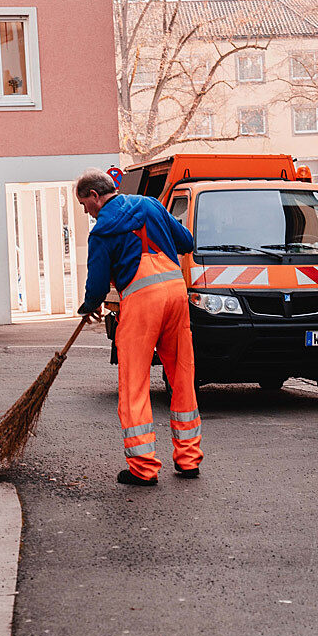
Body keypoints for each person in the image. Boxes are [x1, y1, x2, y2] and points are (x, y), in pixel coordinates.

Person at [75, 168, 202, 486]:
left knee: (134, 382)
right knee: (182, 375)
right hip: (176, 293)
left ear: (95, 196)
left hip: (142, 301)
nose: (86, 212)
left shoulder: (101, 232)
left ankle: (143, 468)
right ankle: (188, 459)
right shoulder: (150, 204)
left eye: (84, 205)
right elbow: (186, 242)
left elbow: (97, 284)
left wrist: (89, 306)